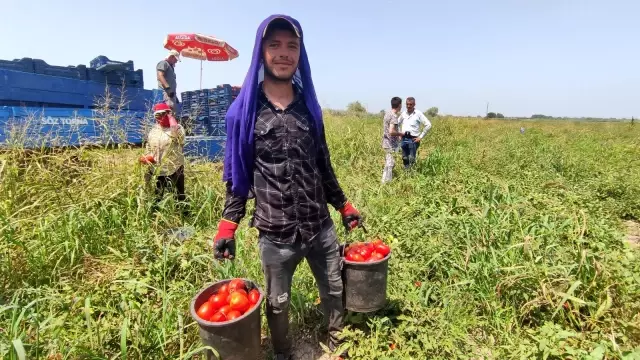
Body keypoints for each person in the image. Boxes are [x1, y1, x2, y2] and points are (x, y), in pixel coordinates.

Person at [212, 15, 363, 360]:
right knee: (277, 304)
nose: (284, 53)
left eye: (291, 46)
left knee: (334, 289)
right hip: (275, 232)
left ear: (300, 53)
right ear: (261, 52)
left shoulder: (310, 109)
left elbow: (323, 165)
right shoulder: (244, 113)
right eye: (274, 45)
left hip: (319, 226)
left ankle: (339, 342)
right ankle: (283, 353)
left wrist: (344, 206)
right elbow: (239, 177)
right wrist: (227, 226)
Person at [140, 103, 187, 211]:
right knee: (158, 195)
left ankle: (183, 216)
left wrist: (170, 117)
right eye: (157, 116)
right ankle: (157, 217)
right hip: (158, 169)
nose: (159, 118)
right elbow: (150, 148)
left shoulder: (177, 128)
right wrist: (147, 157)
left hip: (174, 168)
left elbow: (180, 138)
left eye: (162, 114)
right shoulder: (154, 130)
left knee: (179, 195)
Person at [396, 97, 432, 169]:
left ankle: (411, 175)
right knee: (404, 158)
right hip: (403, 138)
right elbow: (397, 123)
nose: (408, 106)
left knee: (411, 158)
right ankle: (406, 174)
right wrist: (399, 134)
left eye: (411, 104)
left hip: (413, 139)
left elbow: (428, 125)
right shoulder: (403, 113)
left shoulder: (418, 114)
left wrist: (420, 137)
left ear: (414, 104)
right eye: (407, 104)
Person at [381, 96, 403, 183]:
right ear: (400, 105)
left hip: (386, 142)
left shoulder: (387, 114)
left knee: (389, 162)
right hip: (391, 144)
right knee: (390, 163)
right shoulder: (394, 116)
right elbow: (391, 131)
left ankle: (384, 180)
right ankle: (387, 182)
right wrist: (401, 133)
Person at [156, 50, 181, 115]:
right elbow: (160, 75)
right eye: (176, 59)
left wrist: (175, 97)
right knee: (169, 112)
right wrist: (168, 89)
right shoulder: (163, 63)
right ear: (171, 57)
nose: (176, 61)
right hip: (166, 93)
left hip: (171, 94)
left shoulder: (171, 67)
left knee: (173, 113)